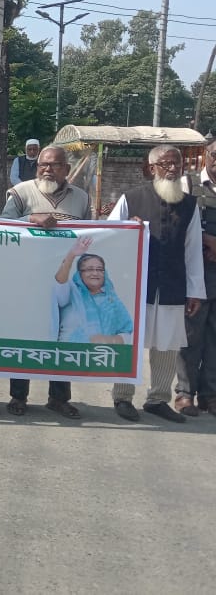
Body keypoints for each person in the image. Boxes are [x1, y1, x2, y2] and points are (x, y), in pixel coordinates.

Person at [108, 144, 204, 423]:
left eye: (177, 164)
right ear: (152, 168)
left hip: (172, 284)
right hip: (136, 284)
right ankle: (122, 396)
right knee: (129, 340)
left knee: (167, 344)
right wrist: (129, 228)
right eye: (166, 164)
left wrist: (195, 291)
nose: (173, 169)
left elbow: (193, 249)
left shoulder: (189, 205)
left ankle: (158, 399)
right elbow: (110, 234)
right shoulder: (131, 198)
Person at [0, 144, 92, 418]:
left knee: (63, 337)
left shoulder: (81, 198)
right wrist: (30, 218)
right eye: (43, 165)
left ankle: (58, 398)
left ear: (67, 169)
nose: (48, 170)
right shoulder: (20, 192)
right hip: (27, 279)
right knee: (26, 336)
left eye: (55, 165)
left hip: (65, 280)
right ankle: (18, 396)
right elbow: (2, 226)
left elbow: (91, 234)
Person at [178, 138, 216, 416]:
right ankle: (185, 393)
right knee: (191, 335)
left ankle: (210, 395)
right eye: (215, 154)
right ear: (206, 155)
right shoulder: (187, 184)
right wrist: (207, 239)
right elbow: (176, 221)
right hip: (196, 271)